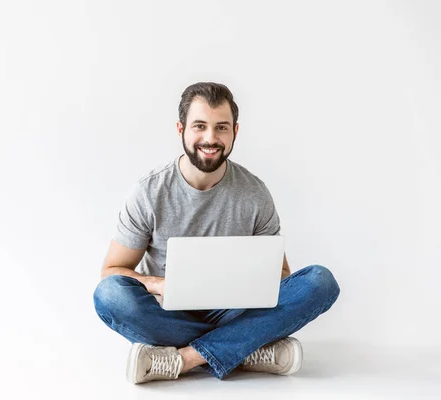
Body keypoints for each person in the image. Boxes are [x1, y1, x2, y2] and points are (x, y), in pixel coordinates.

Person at [93, 82, 340, 384]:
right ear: (180, 128)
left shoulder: (254, 193)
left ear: (235, 131)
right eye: (200, 126)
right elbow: (111, 271)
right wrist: (158, 284)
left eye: (221, 127)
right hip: (168, 314)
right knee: (110, 296)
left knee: (320, 282)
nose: (210, 138)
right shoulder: (149, 192)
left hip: (232, 311)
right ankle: (244, 348)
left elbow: (282, 276)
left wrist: (246, 280)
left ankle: (186, 358)